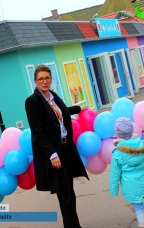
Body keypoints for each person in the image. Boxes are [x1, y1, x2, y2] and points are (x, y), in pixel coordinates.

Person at [25, 64, 88, 228]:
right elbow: (38, 132)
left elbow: (59, 112)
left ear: (51, 79)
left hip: (66, 149)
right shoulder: (32, 102)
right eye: (41, 79)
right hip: (55, 154)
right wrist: (52, 155)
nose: (44, 82)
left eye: (47, 78)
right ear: (35, 81)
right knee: (65, 194)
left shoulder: (52, 96)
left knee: (69, 193)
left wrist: (78, 108)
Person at [110, 117, 144, 228]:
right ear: (132, 131)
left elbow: (115, 173)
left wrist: (114, 189)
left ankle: (143, 226)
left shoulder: (117, 152)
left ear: (118, 134)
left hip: (130, 185)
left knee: (138, 208)